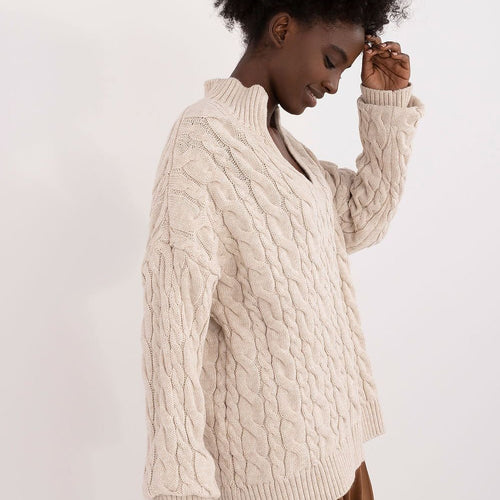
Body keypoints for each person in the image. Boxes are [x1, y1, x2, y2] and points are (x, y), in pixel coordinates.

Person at [140, 1, 425, 499]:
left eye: (343, 71)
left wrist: (385, 104)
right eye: (331, 61)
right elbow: (172, 331)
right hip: (275, 482)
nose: (334, 85)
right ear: (281, 28)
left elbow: (362, 220)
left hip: (342, 461)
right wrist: (181, 484)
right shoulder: (203, 142)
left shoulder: (285, 148)